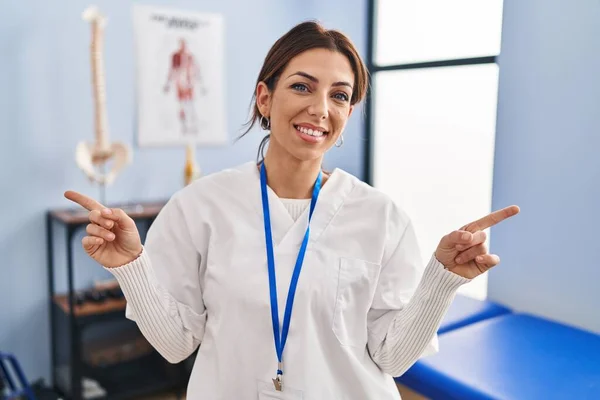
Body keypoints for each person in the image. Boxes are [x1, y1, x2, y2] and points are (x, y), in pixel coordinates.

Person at [65, 21, 519, 400]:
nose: (320, 108)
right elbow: (174, 344)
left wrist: (441, 280)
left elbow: (393, 359)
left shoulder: (382, 216)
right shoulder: (199, 207)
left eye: (340, 96)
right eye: (302, 86)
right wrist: (131, 267)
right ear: (265, 98)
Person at [163, 38, 203, 134]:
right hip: (180, 84)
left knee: (190, 105)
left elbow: (196, 70)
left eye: (184, 44)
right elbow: (172, 70)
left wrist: (200, 83)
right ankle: (184, 127)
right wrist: (168, 84)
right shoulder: (175, 56)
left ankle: (193, 126)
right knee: (182, 106)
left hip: (189, 84)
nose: (183, 46)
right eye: (181, 44)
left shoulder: (190, 56)